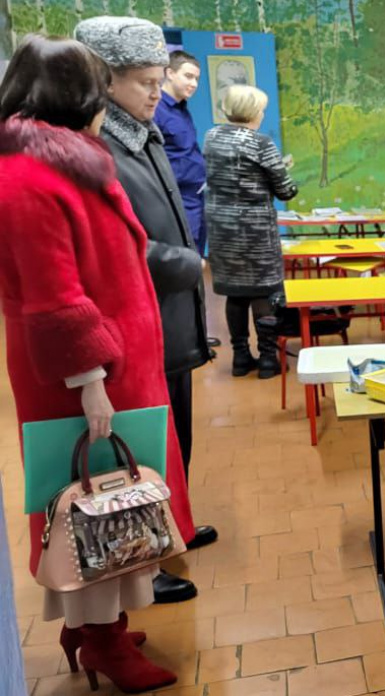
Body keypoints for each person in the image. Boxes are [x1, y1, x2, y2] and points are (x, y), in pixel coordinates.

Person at [0, 34, 195, 693]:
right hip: (84, 380)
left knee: (119, 499)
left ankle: (92, 626)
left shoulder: (65, 163)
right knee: (93, 505)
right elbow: (56, 300)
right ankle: (102, 642)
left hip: (118, 369)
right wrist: (89, 385)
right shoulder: (28, 179)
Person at [75, 16, 219, 604]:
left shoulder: (146, 131)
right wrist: (185, 264)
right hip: (137, 320)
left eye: (160, 80)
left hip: (171, 317)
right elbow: (117, 240)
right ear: (104, 79)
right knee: (139, 447)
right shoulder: (97, 146)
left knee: (173, 436)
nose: (156, 92)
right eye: (144, 82)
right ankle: (143, 558)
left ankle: (174, 528)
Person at [203, 85, 299, 379]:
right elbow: (286, 189)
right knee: (264, 291)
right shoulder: (260, 143)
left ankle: (241, 357)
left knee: (235, 293)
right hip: (255, 231)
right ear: (253, 111)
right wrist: (281, 172)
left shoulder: (211, 137)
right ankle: (268, 359)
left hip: (222, 229)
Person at [154, 51, 207, 255]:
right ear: (170, 73)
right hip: (177, 198)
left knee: (197, 256)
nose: (194, 84)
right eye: (188, 76)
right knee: (185, 256)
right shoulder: (156, 109)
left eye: (197, 79)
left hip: (197, 196)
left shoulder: (182, 108)